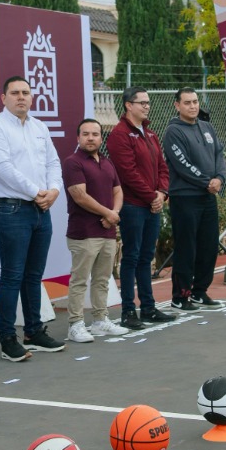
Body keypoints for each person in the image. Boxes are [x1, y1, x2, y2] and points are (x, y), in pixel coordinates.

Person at [0, 76, 66, 361]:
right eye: (14, 93)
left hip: (41, 209)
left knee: (34, 276)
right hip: (11, 210)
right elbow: (3, 168)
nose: (21, 97)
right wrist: (37, 191)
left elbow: (53, 162)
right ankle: (8, 339)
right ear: (3, 98)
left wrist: (53, 190)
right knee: (12, 276)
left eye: (25, 93)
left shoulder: (39, 126)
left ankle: (34, 332)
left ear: (32, 98)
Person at [105, 87, 175, 330]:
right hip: (134, 206)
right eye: (141, 102)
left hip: (152, 204)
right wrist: (150, 196)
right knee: (132, 257)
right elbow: (127, 173)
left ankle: (148, 307)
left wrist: (162, 194)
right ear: (128, 105)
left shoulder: (151, 134)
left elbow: (163, 168)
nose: (146, 106)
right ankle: (128, 311)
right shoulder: (120, 135)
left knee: (146, 257)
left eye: (148, 102)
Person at [61, 119, 130, 342]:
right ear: (78, 138)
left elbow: (118, 191)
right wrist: (107, 213)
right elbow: (79, 195)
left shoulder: (108, 163)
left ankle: (100, 320)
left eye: (95, 134)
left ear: (101, 138)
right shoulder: (73, 163)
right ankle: (75, 325)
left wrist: (114, 213)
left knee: (102, 279)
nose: (90, 138)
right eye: (86, 134)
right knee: (80, 280)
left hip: (107, 232)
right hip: (84, 232)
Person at [163, 87, 225, 310]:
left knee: (209, 245)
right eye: (187, 102)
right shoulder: (173, 132)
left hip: (207, 197)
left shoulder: (207, 127)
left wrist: (219, 177)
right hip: (185, 197)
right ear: (177, 105)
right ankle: (181, 296)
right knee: (186, 247)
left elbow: (219, 153)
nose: (193, 106)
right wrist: (206, 182)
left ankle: (200, 292)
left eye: (195, 101)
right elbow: (181, 164)